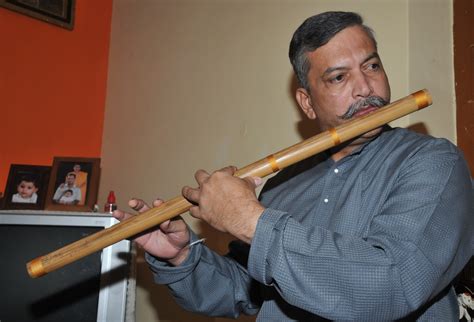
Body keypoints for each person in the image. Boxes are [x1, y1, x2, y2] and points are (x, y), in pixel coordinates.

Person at [113, 11, 473, 321]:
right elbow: (244, 291)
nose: (365, 87)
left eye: (372, 66)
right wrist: (183, 257)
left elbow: (392, 282)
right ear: (308, 103)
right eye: (338, 77)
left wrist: (250, 221)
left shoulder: (433, 164)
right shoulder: (284, 185)